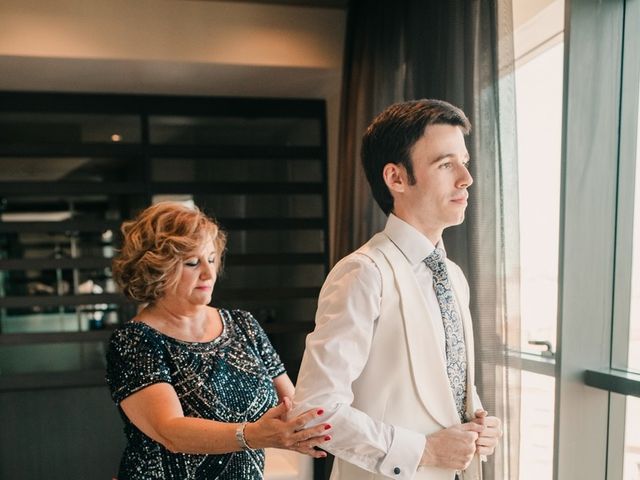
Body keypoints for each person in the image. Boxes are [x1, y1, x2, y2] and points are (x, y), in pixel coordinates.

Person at [291, 99, 502, 480]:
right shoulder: (362, 273)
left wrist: (478, 423)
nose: (466, 178)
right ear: (397, 178)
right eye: (445, 164)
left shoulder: (453, 275)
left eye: (464, 161)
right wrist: (422, 451)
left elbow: (443, 385)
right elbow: (315, 410)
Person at [106, 201, 331, 480]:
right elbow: (170, 431)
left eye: (211, 259)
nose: (209, 274)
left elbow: (292, 404)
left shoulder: (243, 325)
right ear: (156, 268)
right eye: (192, 262)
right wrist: (251, 435)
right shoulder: (135, 341)